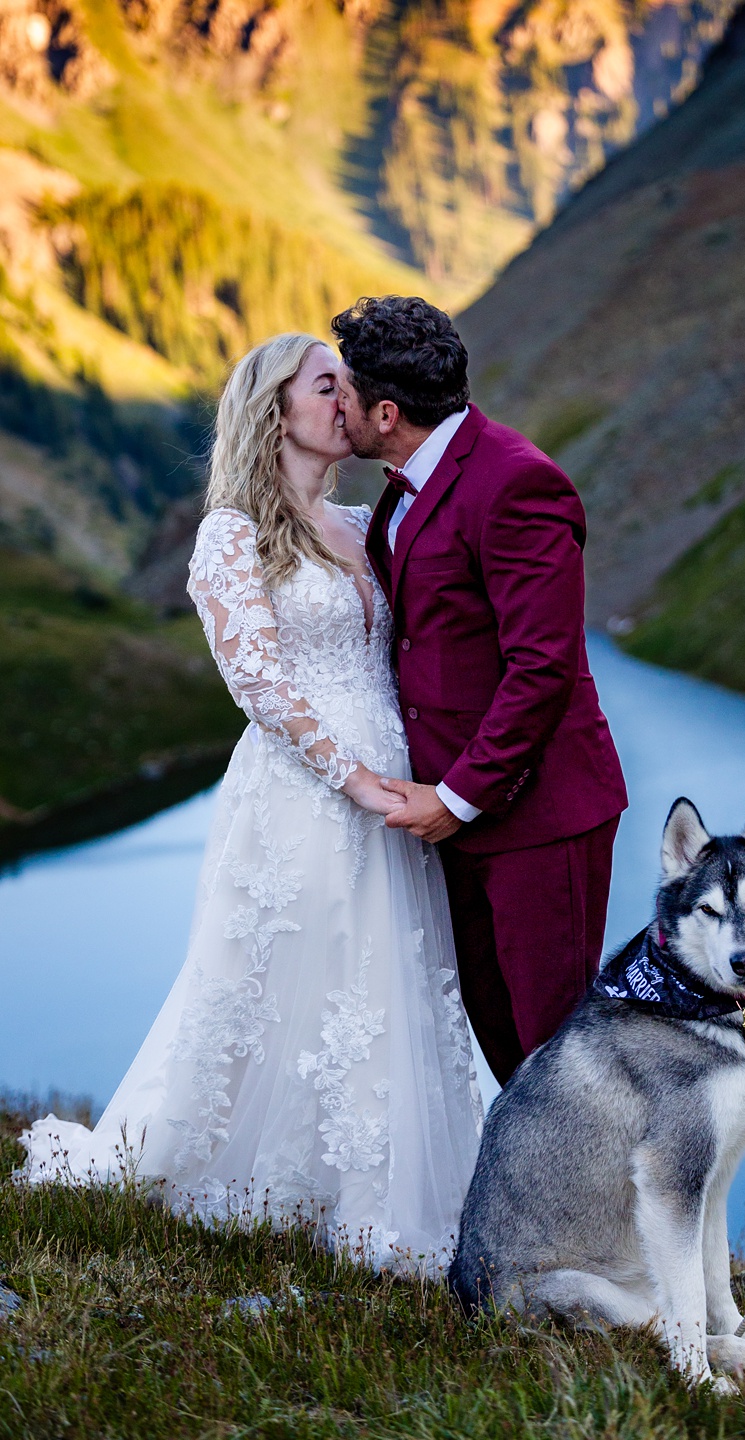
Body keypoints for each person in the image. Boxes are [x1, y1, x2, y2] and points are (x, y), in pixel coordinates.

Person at [19, 333, 481, 1269]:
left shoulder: (365, 524)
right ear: (276, 408)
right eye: (327, 384)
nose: (349, 398)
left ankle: (388, 1194)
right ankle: (261, 1181)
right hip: (304, 793)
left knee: (391, 980)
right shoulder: (232, 534)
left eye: (348, 383)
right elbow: (259, 684)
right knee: (292, 982)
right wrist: (352, 778)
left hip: (397, 786)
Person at [332, 296, 628, 1086]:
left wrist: (457, 798)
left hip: (538, 816)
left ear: (386, 413)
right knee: (508, 1054)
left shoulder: (518, 484)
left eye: (346, 393)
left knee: (561, 1065)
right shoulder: (405, 485)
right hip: (454, 819)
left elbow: (542, 669)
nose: (337, 407)